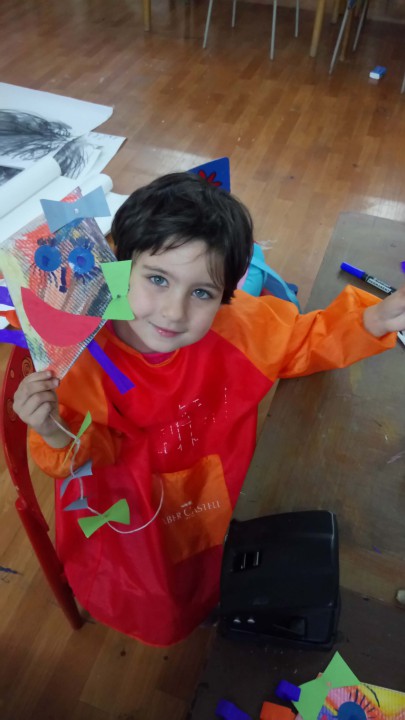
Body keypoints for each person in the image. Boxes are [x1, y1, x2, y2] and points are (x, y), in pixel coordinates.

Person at [12, 173, 405, 646]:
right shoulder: (82, 358)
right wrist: (51, 429)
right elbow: (84, 458)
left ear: (225, 295)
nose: (174, 312)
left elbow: (305, 341)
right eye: (158, 279)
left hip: (215, 505)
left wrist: (375, 319)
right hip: (129, 522)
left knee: (213, 571)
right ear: (119, 266)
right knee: (158, 601)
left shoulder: (237, 329)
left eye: (202, 292)